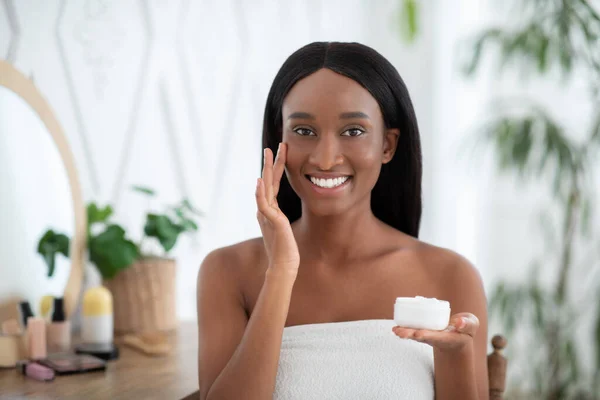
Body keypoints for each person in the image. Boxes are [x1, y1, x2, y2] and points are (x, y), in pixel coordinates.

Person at [196, 42, 488, 400]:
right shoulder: (227, 273)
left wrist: (455, 355)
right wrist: (282, 272)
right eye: (304, 131)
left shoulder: (450, 275)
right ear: (279, 141)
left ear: (388, 146)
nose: (326, 158)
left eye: (353, 131)